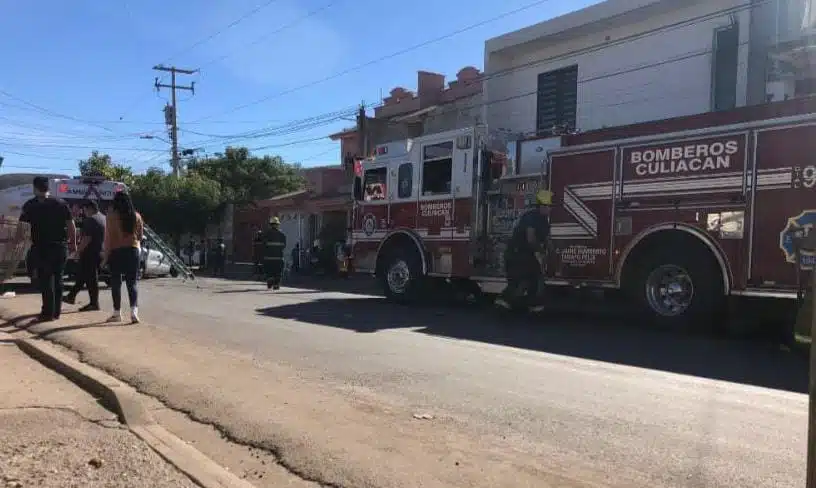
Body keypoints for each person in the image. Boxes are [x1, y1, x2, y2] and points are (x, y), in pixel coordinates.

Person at [20, 176, 77, 322]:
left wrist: (17, 243)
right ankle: (56, 312)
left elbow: (22, 228)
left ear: (35, 188)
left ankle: (47, 313)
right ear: (48, 188)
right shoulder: (61, 203)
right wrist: (73, 244)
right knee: (58, 279)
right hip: (60, 247)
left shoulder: (30, 205)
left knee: (46, 280)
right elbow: (71, 225)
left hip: (41, 247)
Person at [495, 189, 553, 313]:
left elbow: (548, 240)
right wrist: (542, 251)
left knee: (535, 278)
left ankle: (533, 306)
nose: (550, 209)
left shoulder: (544, 221)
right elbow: (530, 239)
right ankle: (502, 305)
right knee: (520, 280)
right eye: (549, 206)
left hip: (525, 254)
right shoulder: (531, 217)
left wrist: (554, 253)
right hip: (516, 253)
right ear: (541, 206)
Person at [103, 191, 144, 324]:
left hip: (116, 252)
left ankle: (117, 313)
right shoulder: (136, 216)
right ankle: (134, 312)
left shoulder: (111, 216)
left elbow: (108, 238)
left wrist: (105, 256)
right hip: (133, 251)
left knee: (116, 283)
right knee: (132, 283)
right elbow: (140, 236)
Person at [63, 200, 105, 311]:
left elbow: (87, 239)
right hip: (99, 252)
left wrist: (77, 252)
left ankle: (94, 303)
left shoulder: (91, 220)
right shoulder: (103, 218)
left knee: (91, 279)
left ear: (90, 208)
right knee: (83, 276)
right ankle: (71, 296)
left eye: (85, 209)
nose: (84, 212)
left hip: (90, 253)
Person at [259, 217, 286, 289]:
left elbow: (263, 246)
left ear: (270, 225)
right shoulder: (282, 235)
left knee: (269, 272)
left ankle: (270, 282)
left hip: (268, 258)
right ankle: (276, 285)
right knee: (278, 272)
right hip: (279, 258)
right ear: (277, 225)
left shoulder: (266, 234)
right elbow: (284, 246)